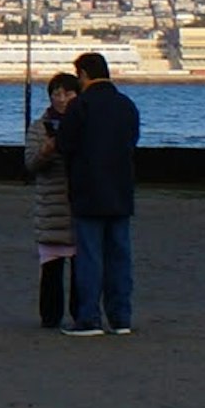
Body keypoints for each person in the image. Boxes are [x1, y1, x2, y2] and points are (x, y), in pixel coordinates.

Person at [57, 49, 141, 336]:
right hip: (121, 191)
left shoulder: (80, 107)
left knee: (90, 257)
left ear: (83, 75)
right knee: (119, 256)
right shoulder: (126, 105)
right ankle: (121, 318)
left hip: (88, 191)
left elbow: (64, 145)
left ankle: (88, 318)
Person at [26, 71, 80, 330]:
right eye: (56, 94)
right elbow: (31, 163)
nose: (61, 99)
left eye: (68, 93)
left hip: (78, 202)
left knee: (81, 267)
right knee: (51, 267)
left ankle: (80, 314)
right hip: (51, 203)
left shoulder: (84, 124)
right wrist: (47, 150)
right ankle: (50, 317)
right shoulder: (39, 126)